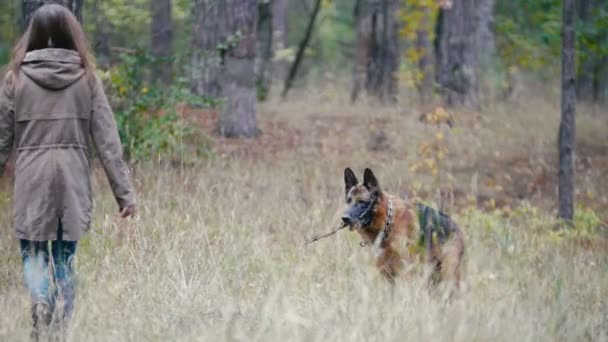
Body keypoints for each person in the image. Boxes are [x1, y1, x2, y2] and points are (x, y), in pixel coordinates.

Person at [0, 4, 136, 339]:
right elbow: (108, 141)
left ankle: (39, 319)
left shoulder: (14, 77)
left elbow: (1, 139)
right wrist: (125, 194)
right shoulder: (87, 78)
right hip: (72, 180)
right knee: (64, 259)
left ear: (31, 32)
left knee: (33, 255)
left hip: (32, 179)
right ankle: (60, 329)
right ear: (72, 33)